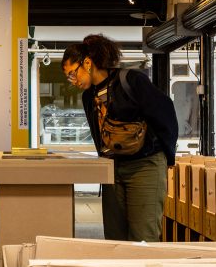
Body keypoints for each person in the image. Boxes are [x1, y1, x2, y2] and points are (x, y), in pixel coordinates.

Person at [62, 34, 178, 242]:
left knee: (143, 235)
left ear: (87, 63)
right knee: (115, 238)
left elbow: (165, 114)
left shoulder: (130, 80)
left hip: (145, 166)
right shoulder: (88, 96)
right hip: (111, 170)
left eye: (72, 74)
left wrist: (166, 156)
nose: (73, 81)